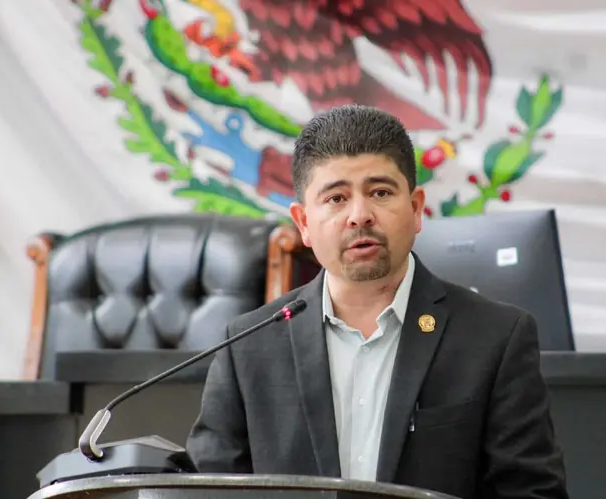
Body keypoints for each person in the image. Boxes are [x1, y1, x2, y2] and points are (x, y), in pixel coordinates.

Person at [186, 105, 568, 499]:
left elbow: (533, 493)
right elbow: (206, 491)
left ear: (416, 209)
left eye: (380, 193)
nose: (359, 215)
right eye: (336, 198)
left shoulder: (495, 339)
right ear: (303, 223)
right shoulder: (247, 345)